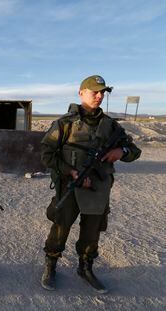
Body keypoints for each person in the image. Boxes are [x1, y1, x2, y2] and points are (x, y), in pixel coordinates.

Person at [40, 75, 141, 293]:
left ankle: (85, 268)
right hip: (70, 187)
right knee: (60, 227)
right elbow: (46, 155)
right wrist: (70, 171)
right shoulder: (64, 124)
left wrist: (120, 151)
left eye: (102, 92)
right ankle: (51, 265)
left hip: (98, 190)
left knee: (91, 232)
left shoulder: (111, 127)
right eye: (94, 91)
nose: (99, 96)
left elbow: (134, 151)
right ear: (81, 92)